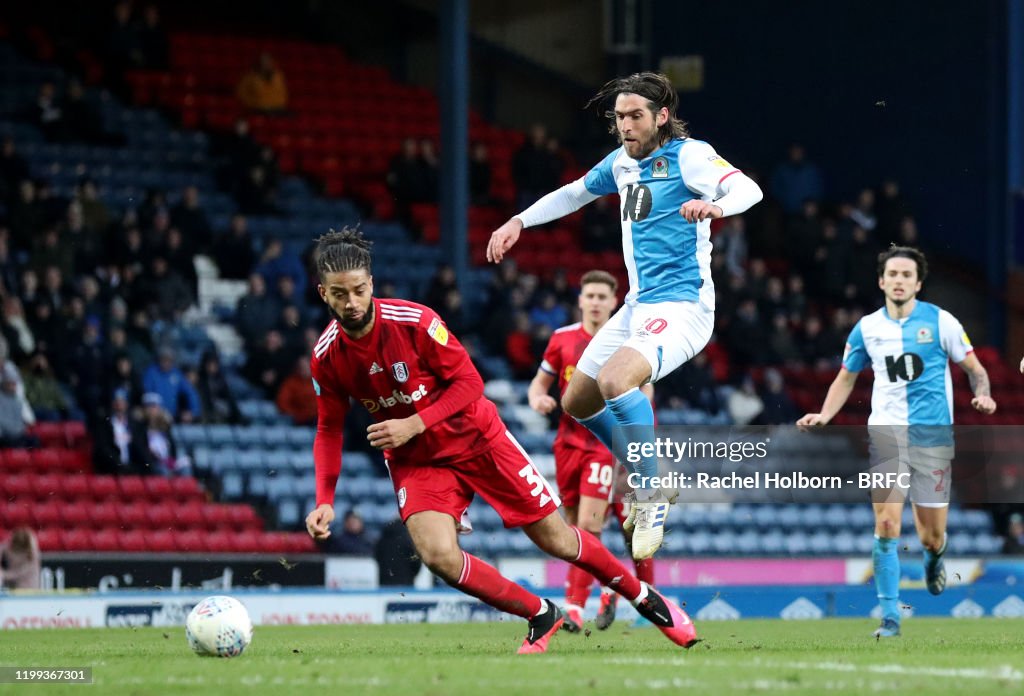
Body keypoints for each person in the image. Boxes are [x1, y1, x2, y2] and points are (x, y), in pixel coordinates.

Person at [305, 228, 696, 654]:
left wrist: (416, 422)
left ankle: (643, 596)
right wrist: (325, 498)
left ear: (371, 284)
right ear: (324, 293)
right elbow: (328, 428)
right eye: (340, 294)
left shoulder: (415, 322)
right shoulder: (326, 356)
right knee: (438, 556)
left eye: (359, 290)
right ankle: (540, 614)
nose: (352, 303)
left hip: (478, 438)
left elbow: (470, 383)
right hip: (416, 461)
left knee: (558, 541)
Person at [487, 72, 763, 559]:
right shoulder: (620, 163)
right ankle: (652, 475)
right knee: (577, 399)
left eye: (635, 115)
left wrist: (715, 207)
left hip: (683, 306)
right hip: (638, 305)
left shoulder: (690, 155)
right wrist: (519, 221)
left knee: (617, 382)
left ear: (661, 116)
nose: (626, 125)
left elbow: (748, 190)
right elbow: (573, 193)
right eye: (619, 117)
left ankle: (652, 493)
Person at [797, 246, 997, 638]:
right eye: (894, 274)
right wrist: (825, 414)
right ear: (881, 281)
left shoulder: (943, 322)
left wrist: (984, 393)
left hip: (933, 438)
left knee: (930, 534)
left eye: (908, 274)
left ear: (918, 283)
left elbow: (976, 370)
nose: (900, 280)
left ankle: (934, 557)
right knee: (887, 523)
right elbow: (845, 376)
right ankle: (890, 618)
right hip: (886, 435)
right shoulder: (866, 328)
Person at [528, 270, 654, 632]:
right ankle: (604, 590)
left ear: (615, 302)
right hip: (567, 445)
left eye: (603, 297)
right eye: (591, 296)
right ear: (580, 300)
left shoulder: (628, 342)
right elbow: (539, 385)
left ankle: (577, 605)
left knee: (591, 525)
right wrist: (538, 399)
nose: (596, 302)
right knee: (574, 528)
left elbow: (645, 393)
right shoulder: (561, 339)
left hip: (606, 445)